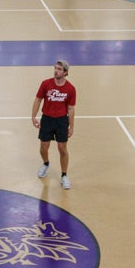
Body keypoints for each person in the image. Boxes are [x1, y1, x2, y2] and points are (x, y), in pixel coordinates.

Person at [31, 60, 77, 189]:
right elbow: (38, 100)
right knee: (43, 147)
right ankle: (46, 164)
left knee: (62, 148)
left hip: (61, 121)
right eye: (55, 68)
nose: (56, 70)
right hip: (47, 119)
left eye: (59, 69)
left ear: (65, 72)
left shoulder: (70, 89)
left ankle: (64, 175)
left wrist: (71, 126)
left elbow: (71, 109)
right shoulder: (46, 84)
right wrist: (33, 117)